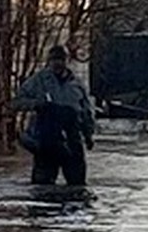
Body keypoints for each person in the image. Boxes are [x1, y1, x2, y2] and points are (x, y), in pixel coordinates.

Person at [12, 44, 96, 185]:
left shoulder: (77, 84)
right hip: (47, 141)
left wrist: (88, 135)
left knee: (77, 185)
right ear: (49, 61)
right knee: (42, 186)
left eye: (61, 59)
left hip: (72, 140)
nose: (57, 63)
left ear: (67, 61)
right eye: (54, 60)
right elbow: (17, 102)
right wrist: (37, 104)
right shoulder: (38, 80)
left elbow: (86, 111)